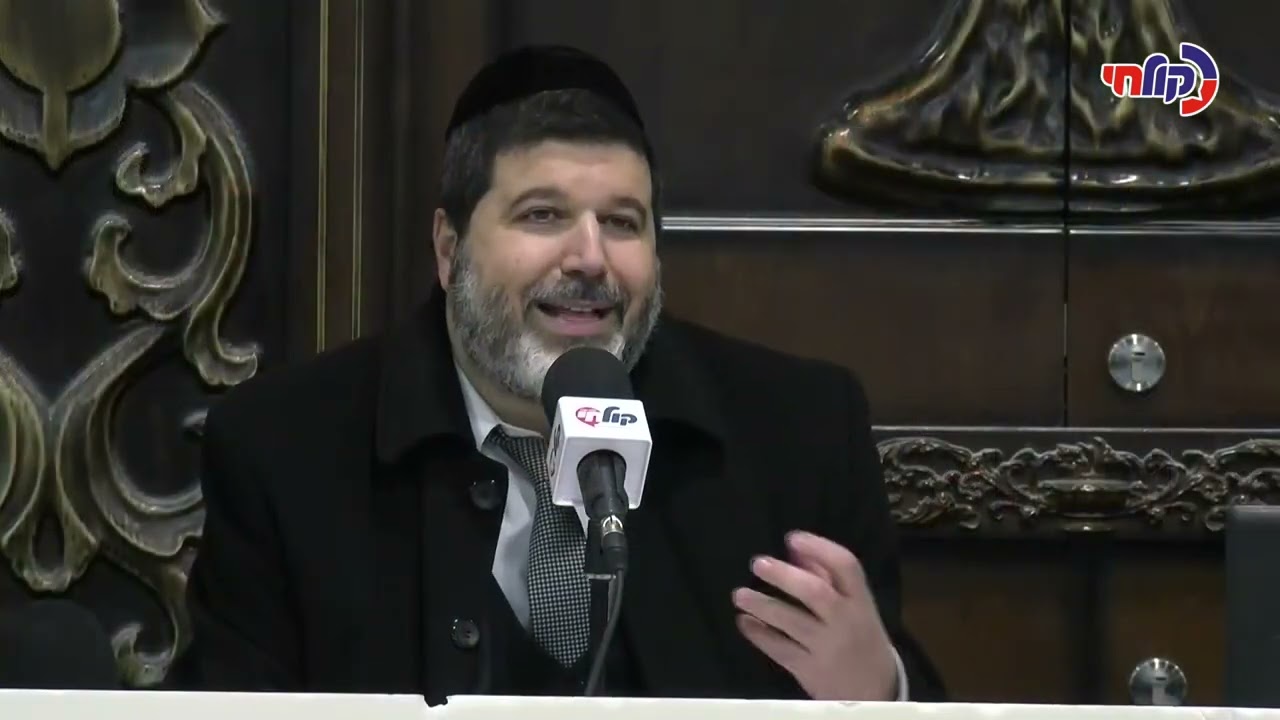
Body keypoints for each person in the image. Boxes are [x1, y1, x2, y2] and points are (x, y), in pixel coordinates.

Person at [173, 44, 945, 704]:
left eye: (622, 222)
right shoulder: (285, 453)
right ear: (448, 250)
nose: (589, 259)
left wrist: (882, 692)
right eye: (542, 215)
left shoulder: (798, 434)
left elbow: (903, 692)